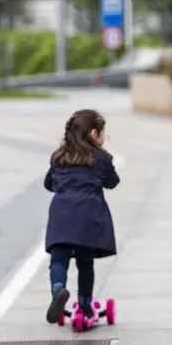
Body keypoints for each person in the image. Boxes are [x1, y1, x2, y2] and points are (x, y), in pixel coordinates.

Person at [44, 109, 120, 327]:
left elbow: (48, 184)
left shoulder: (59, 157)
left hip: (61, 215)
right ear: (94, 134)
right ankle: (85, 305)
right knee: (85, 263)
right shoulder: (101, 158)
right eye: (103, 133)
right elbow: (112, 182)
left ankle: (58, 290)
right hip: (88, 215)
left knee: (58, 260)